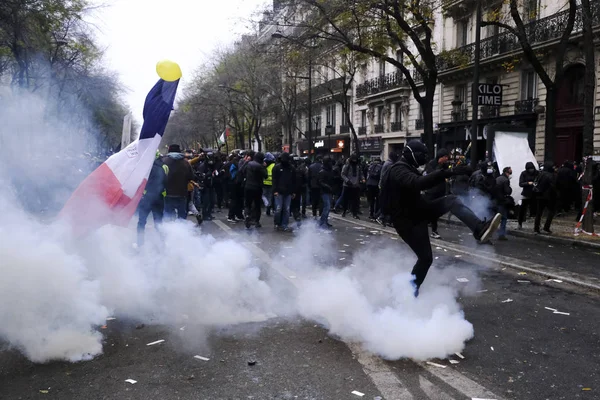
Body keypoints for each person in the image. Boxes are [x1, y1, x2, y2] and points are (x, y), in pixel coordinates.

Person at [381, 140, 502, 297]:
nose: (425, 159)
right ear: (413, 154)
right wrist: (446, 173)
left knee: (451, 200)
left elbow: (425, 182)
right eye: (422, 155)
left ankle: (479, 229)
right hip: (407, 221)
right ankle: (409, 292)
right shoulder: (398, 169)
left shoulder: (409, 168)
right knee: (425, 259)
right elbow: (417, 183)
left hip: (419, 211)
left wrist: (448, 171)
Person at [137, 151, 168, 246]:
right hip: (159, 198)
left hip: (147, 198)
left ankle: (140, 243)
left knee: (142, 222)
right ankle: (161, 244)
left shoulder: (145, 167)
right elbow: (166, 181)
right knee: (158, 222)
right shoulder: (164, 167)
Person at [163, 144, 196, 221]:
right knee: (181, 215)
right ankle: (181, 231)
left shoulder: (164, 161)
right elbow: (191, 177)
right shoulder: (186, 163)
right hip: (182, 193)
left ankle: (167, 231)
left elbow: (159, 177)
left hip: (167, 193)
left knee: (167, 215)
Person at [424, 148, 449, 239]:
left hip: (441, 192)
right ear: (440, 157)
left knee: (438, 211)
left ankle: (430, 224)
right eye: (445, 157)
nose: (447, 159)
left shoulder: (445, 165)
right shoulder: (431, 164)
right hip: (431, 192)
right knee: (431, 211)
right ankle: (433, 230)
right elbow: (430, 175)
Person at [242, 152, 267, 229]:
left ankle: (247, 215)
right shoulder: (260, 166)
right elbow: (265, 176)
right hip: (257, 187)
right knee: (257, 205)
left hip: (248, 186)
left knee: (247, 204)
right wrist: (264, 167)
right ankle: (256, 221)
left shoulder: (248, 164)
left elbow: (242, 171)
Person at [272, 152, 296, 232]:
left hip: (287, 192)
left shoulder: (291, 168)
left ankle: (284, 224)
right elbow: (274, 180)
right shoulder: (277, 168)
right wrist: (275, 191)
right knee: (279, 208)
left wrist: (293, 192)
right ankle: (278, 223)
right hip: (279, 192)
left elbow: (293, 181)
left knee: (286, 209)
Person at [534, 162, 557, 234]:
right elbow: (553, 186)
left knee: (539, 213)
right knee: (551, 212)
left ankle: (536, 228)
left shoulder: (540, 174)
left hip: (539, 195)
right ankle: (546, 227)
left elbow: (536, 183)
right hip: (548, 196)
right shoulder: (551, 175)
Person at [341, 153, 364, 219]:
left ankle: (354, 213)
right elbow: (343, 174)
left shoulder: (358, 166)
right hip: (347, 185)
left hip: (355, 185)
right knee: (346, 200)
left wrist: (362, 179)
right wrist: (347, 181)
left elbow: (360, 173)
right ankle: (344, 211)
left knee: (355, 201)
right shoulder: (347, 165)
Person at [518, 161, 538, 229]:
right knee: (522, 210)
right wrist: (528, 183)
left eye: (532, 168)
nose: (531, 170)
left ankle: (537, 226)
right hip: (526, 194)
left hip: (535, 194)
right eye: (529, 168)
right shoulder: (523, 173)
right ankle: (520, 223)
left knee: (536, 210)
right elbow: (520, 184)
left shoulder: (537, 173)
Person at [495, 166, 513, 240]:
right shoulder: (505, 180)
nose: (510, 174)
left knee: (495, 217)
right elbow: (507, 191)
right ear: (506, 172)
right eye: (510, 172)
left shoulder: (498, 178)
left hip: (496, 200)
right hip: (502, 201)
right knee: (504, 218)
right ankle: (501, 234)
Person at [317, 156, 335, 228]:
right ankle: (322, 222)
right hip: (324, 191)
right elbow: (320, 182)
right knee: (327, 207)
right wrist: (327, 186)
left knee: (327, 207)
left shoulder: (330, 171)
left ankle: (325, 221)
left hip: (329, 191)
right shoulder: (322, 171)